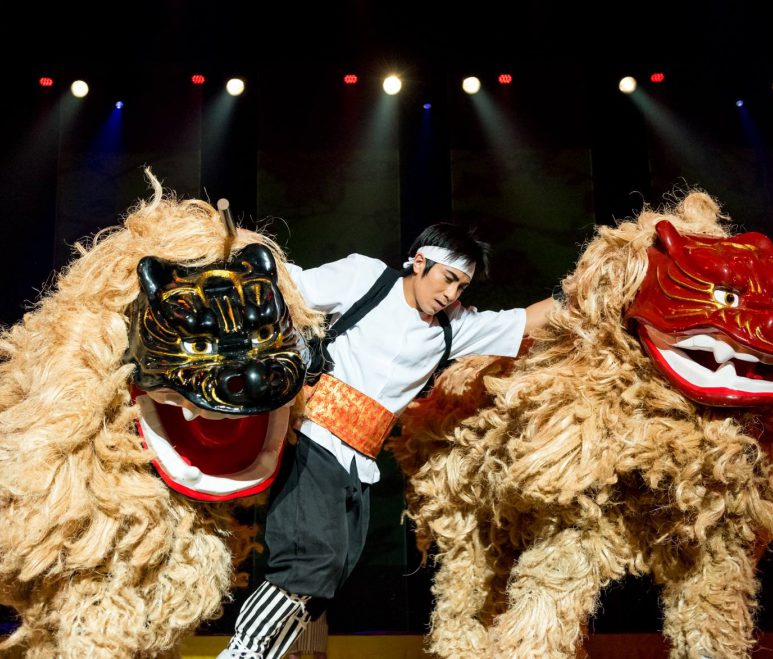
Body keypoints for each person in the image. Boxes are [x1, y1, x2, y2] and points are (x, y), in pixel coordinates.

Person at [217, 223, 554, 659]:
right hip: (311, 438)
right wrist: (232, 241)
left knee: (331, 574)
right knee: (307, 561)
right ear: (419, 262)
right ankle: (242, 653)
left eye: (462, 286)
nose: (452, 294)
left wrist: (592, 284)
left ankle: (280, 654)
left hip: (359, 461)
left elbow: (524, 321)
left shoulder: (454, 326)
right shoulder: (366, 278)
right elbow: (290, 285)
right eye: (448, 278)